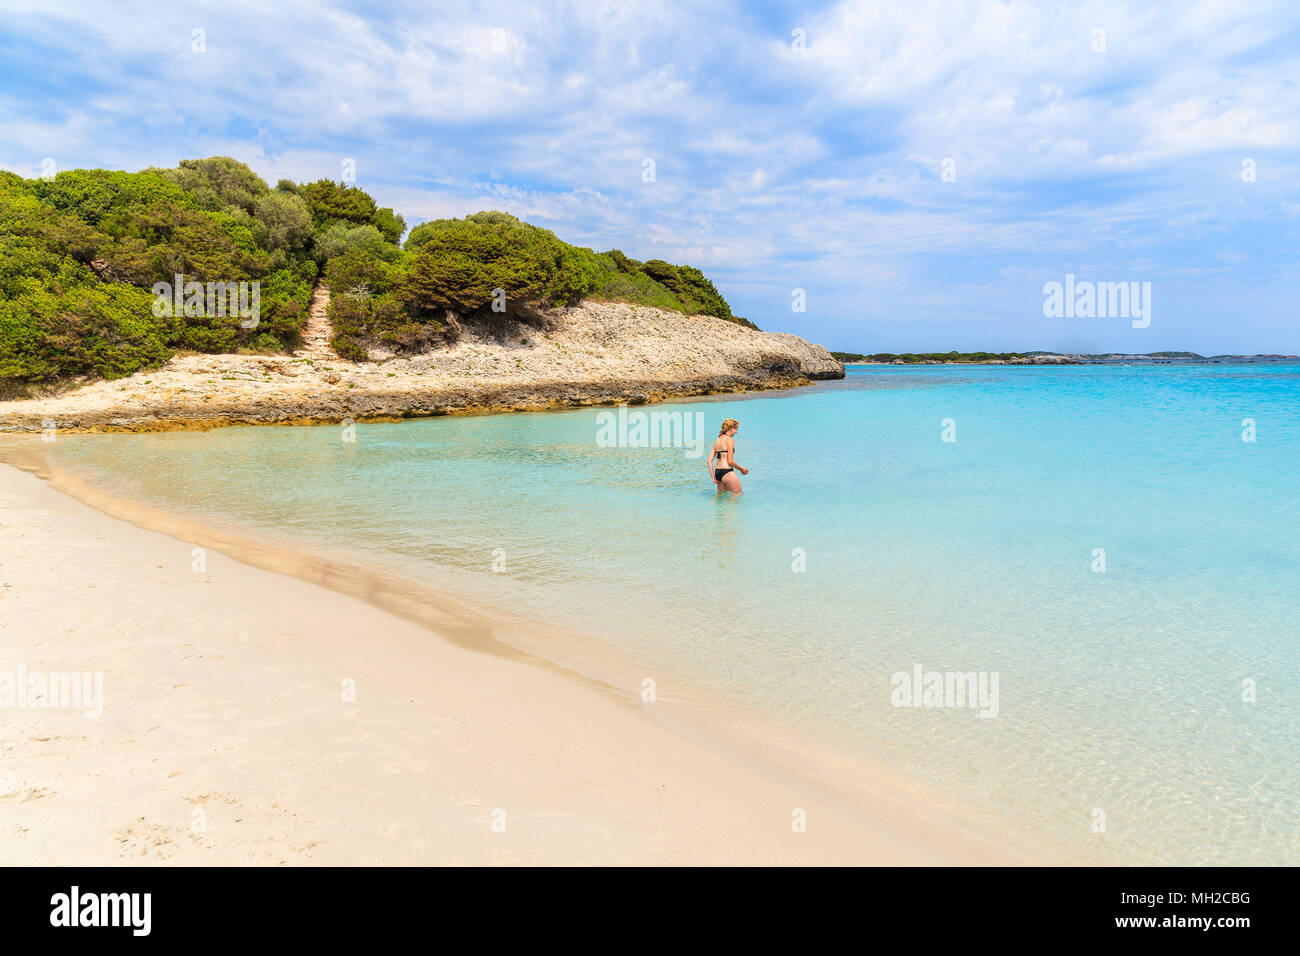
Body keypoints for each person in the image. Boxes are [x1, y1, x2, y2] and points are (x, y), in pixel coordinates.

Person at [708, 418, 748, 494]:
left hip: (717, 473)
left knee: (720, 499)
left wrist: (713, 477)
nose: (736, 432)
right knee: (737, 494)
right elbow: (730, 461)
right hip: (727, 472)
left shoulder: (718, 440)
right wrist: (742, 469)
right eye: (736, 429)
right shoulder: (730, 439)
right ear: (732, 428)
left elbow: (709, 460)